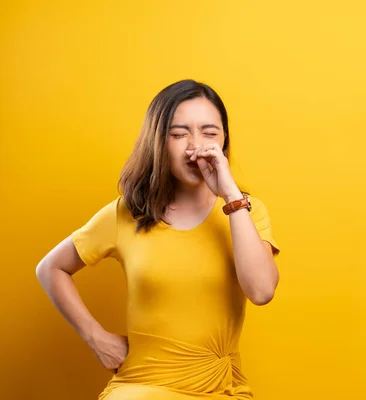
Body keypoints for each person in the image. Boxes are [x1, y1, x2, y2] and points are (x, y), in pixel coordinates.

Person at [36, 79, 281, 399]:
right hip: (143, 386)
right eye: (179, 134)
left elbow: (261, 291)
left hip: (221, 388)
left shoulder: (245, 211)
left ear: (224, 141)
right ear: (158, 141)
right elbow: (50, 268)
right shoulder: (127, 213)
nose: (196, 147)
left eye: (210, 133)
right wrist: (95, 337)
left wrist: (231, 196)